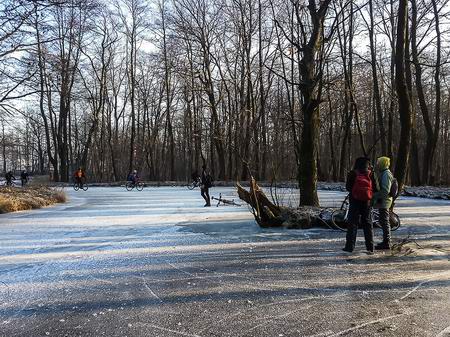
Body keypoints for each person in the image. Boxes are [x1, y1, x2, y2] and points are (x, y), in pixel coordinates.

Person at [343, 157, 375, 254]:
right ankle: (370, 247)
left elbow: (348, 187)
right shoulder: (371, 173)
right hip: (367, 202)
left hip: (354, 201)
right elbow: (376, 187)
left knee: (352, 224)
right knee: (368, 224)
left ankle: (349, 247)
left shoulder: (353, 173)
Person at [373, 156, 394, 250]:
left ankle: (387, 242)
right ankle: (386, 241)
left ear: (383, 163)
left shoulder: (386, 174)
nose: (377, 164)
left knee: (385, 221)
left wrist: (374, 195)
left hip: (385, 201)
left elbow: (385, 190)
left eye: (379, 163)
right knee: (383, 221)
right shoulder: (383, 173)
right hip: (383, 201)